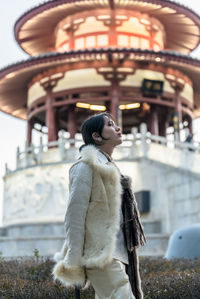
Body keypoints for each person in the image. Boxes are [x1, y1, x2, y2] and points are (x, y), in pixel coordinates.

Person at [53, 112, 146, 299]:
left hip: (119, 253)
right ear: (96, 136)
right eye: (110, 125)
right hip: (100, 255)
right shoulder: (85, 167)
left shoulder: (111, 168)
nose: (118, 128)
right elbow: (74, 216)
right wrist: (73, 261)